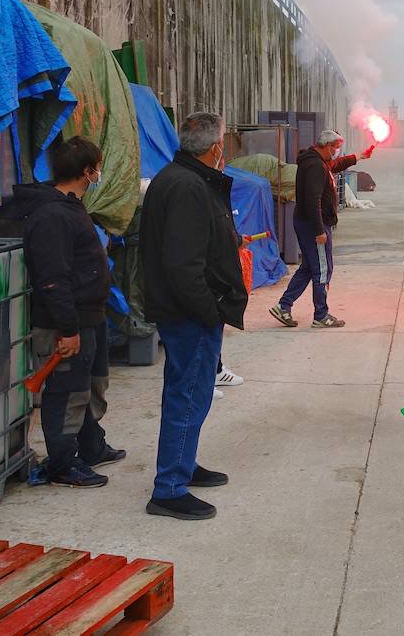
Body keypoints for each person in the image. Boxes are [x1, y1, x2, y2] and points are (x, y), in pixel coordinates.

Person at [141, 112, 247, 520]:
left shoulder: (181, 178)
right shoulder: (186, 186)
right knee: (187, 394)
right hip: (190, 314)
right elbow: (183, 265)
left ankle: (183, 464)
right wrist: (209, 311)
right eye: (225, 142)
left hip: (186, 311)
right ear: (216, 147)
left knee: (193, 392)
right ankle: (168, 488)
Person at [13, 136, 123, 488]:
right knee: (67, 392)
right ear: (87, 172)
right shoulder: (51, 215)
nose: (99, 175)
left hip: (89, 316)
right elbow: (52, 279)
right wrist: (68, 329)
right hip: (67, 322)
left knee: (90, 386)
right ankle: (62, 463)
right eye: (97, 169)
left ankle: (91, 445)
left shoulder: (71, 206)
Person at [269, 129, 374, 329]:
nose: (336, 152)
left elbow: (334, 165)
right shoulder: (316, 165)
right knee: (323, 269)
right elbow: (312, 199)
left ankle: (283, 306)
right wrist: (319, 230)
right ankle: (321, 314)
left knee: (309, 267)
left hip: (306, 222)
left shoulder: (316, 161)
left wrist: (358, 156)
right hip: (313, 225)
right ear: (326, 146)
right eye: (335, 148)